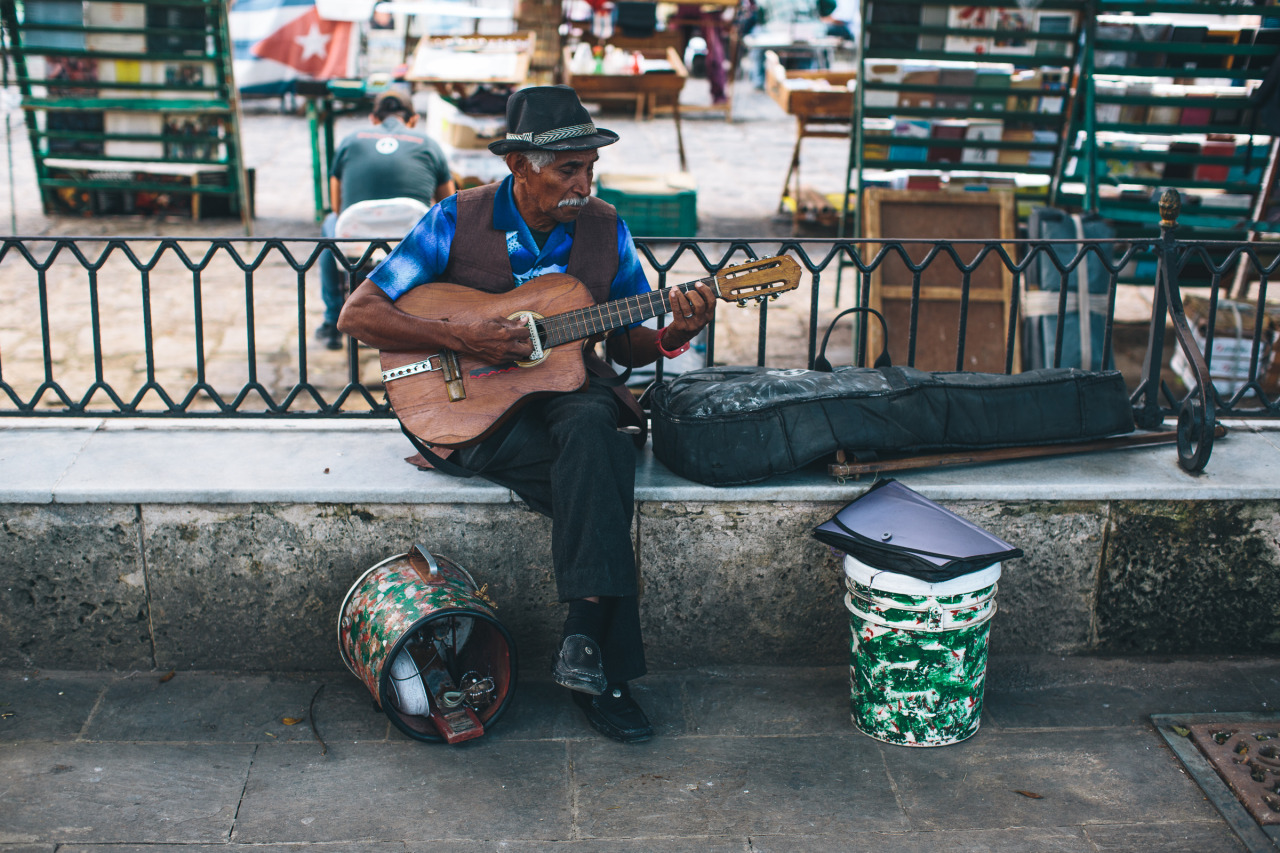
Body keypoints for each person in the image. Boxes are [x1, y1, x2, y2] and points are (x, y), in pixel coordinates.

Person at [337, 86, 715, 742]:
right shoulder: (456, 218)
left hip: (568, 397)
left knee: (597, 434)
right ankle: (608, 671)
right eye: (568, 169)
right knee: (600, 473)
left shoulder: (605, 228)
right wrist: (468, 338)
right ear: (520, 166)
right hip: (474, 408)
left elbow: (625, 340)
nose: (584, 183)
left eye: (590, 168)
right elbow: (360, 313)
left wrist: (674, 333)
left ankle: (582, 643)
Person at [315, 89, 456, 350]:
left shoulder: (349, 141)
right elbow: (450, 203)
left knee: (329, 227)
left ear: (373, 118)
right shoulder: (428, 144)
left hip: (355, 244)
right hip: (410, 246)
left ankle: (332, 320)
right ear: (412, 119)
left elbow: (336, 206)